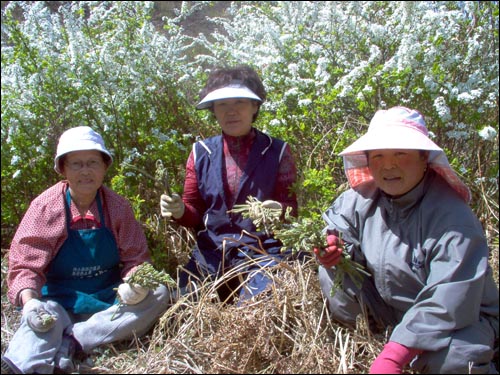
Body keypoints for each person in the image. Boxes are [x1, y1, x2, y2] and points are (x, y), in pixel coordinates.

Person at [313, 106, 499, 374]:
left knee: (455, 362)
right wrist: (333, 243)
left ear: (424, 158)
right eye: (378, 155)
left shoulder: (452, 217)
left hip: (460, 317)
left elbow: (449, 297)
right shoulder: (363, 198)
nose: (389, 165)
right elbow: (338, 223)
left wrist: (396, 352)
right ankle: (373, 336)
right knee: (334, 269)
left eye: (401, 153)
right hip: (390, 308)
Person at [1, 126, 172, 374]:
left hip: (107, 301)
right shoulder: (45, 207)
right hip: (58, 301)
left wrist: (135, 284)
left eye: (92, 162)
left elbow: (136, 258)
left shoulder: (118, 207)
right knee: (41, 323)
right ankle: (24, 365)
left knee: (158, 293)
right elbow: (25, 266)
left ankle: (75, 341)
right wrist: (30, 303)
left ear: (105, 167)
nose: (85, 171)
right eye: (76, 164)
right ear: (63, 169)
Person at [160, 65, 299, 304]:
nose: (231, 111)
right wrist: (179, 210)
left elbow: (292, 209)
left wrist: (276, 210)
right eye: (222, 104)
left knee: (259, 306)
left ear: (255, 106)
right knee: (180, 304)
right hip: (212, 251)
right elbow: (194, 211)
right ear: (213, 109)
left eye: (240, 102)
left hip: (262, 251)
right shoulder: (200, 153)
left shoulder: (277, 151)